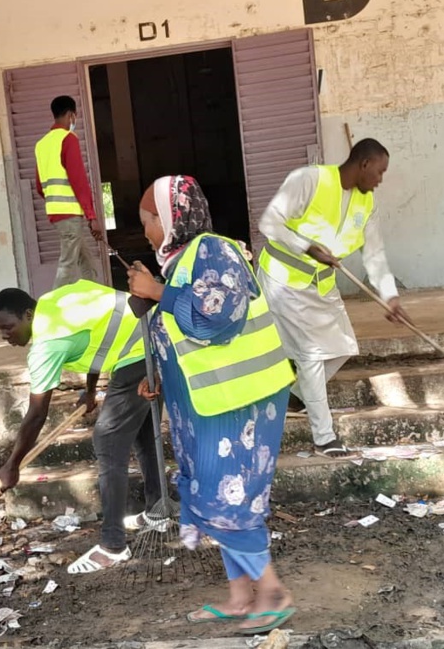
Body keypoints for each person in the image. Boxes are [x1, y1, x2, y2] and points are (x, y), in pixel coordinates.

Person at [127, 175, 296, 635]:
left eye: (149, 221)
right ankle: (241, 598)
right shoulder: (182, 262)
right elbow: (183, 336)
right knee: (213, 493)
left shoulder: (214, 251)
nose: (146, 232)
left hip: (239, 400)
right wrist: (156, 376)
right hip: (208, 401)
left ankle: (273, 593)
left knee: (227, 497)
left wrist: (156, 293)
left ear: (171, 218)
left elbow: (217, 319)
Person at [0, 280, 161, 574]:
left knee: (107, 440)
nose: (5, 335)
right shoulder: (54, 302)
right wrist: (91, 390)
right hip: (157, 336)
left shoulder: (46, 344)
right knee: (144, 433)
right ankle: (159, 511)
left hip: (140, 350)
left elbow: (36, 414)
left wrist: (13, 465)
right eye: (0, 330)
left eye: (8, 327)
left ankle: (113, 546)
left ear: (28, 315)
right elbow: (99, 333)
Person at [256, 138, 410, 458]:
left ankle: (296, 396)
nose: (380, 180)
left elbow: (374, 254)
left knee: (343, 347)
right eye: (379, 172)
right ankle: (324, 438)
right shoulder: (308, 180)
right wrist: (307, 247)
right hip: (284, 280)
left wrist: (390, 297)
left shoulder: (366, 203)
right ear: (364, 164)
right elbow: (269, 222)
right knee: (311, 357)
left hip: (322, 286)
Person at [34, 95, 103, 288]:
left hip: (57, 214)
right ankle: (53, 304)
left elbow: (40, 186)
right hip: (69, 213)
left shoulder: (41, 144)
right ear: (71, 115)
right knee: (67, 265)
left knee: (86, 261)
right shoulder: (68, 139)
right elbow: (78, 180)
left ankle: (93, 295)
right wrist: (91, 216)